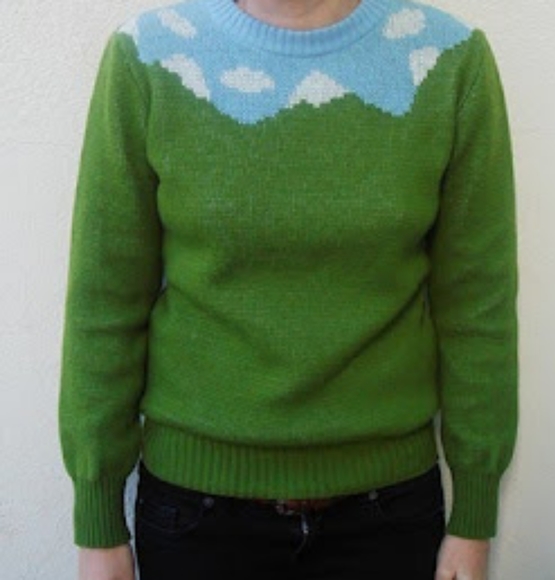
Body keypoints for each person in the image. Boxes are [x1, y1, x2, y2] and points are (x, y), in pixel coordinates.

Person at [58, 0, 519, 578]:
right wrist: (98, 516)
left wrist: (474, 511)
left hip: (389, 512)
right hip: (195, 517)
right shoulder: (149, 56)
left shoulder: (447, 59)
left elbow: (477, 303)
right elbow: (105, 298)